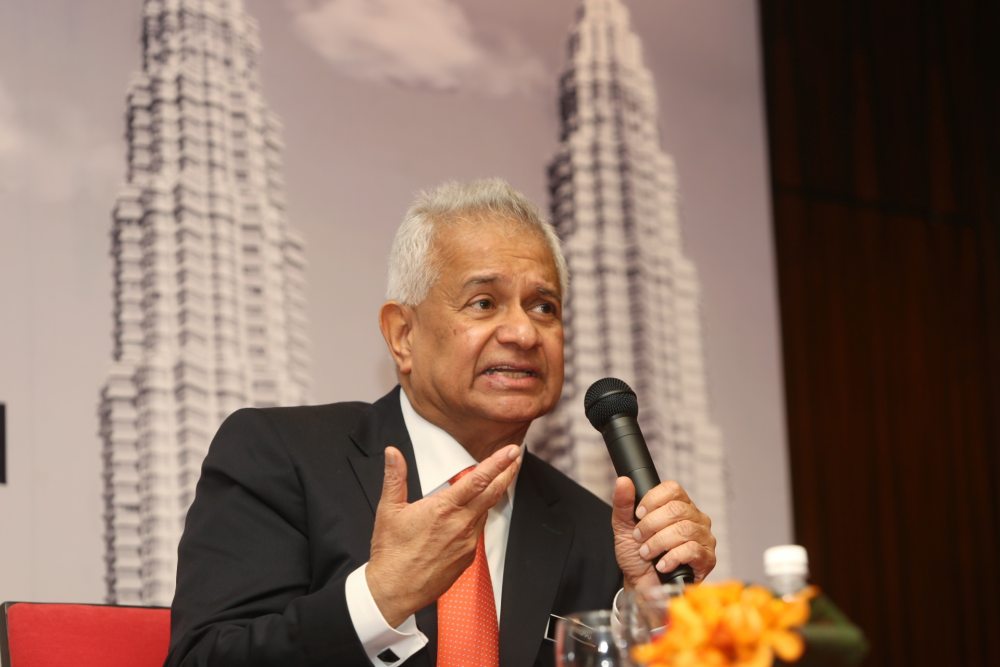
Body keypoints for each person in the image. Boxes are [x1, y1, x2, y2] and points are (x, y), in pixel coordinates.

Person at [165, 179, 717, 666]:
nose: (524, 333)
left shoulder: (598, 531)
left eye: (544, 307)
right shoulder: (280, 457)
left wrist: (650, 619)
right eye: (483, 303)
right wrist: (379, 598)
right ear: (403, 335)